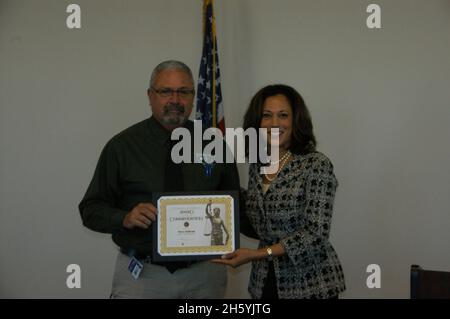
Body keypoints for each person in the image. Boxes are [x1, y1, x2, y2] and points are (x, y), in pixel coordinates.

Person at [79, 60, 240, 299]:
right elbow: (90, 210)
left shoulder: (215, 144)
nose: (175, 99)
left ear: (193, 96)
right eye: (166, 91)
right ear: (150, 95)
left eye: (184, 91)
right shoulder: (121, 147)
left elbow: (235, 205)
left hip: (205, 275)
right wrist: (125, 217)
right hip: (143, 276)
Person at [213, 84, 346, 299]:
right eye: (267, 116)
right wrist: (214, 198)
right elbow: (260, 218)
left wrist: (256, 254)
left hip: (309, 284)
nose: (275, 124)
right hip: (264, 281)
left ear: (296, 120)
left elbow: (315, 235)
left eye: (283, 115)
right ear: (257, 123)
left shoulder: (315, 164)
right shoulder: (258, 165)